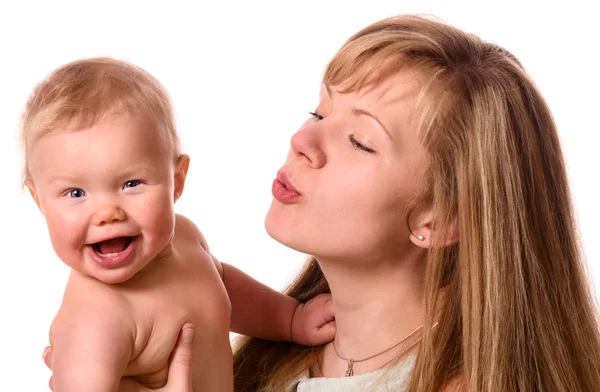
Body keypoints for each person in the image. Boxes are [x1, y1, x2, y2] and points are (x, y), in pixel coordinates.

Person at [45, 14, 600, 392]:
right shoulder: (272, 360)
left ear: (442, 218)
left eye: (360, 140)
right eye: (318, 113)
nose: (302, 143)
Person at [23, 57, 335, 392]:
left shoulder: (184, 236)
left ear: (177, 181)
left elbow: (222, 287)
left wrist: (291, 320)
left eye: (131, 184)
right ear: (39, 200)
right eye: (75, 193)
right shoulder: (95, 324)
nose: (106, 213)